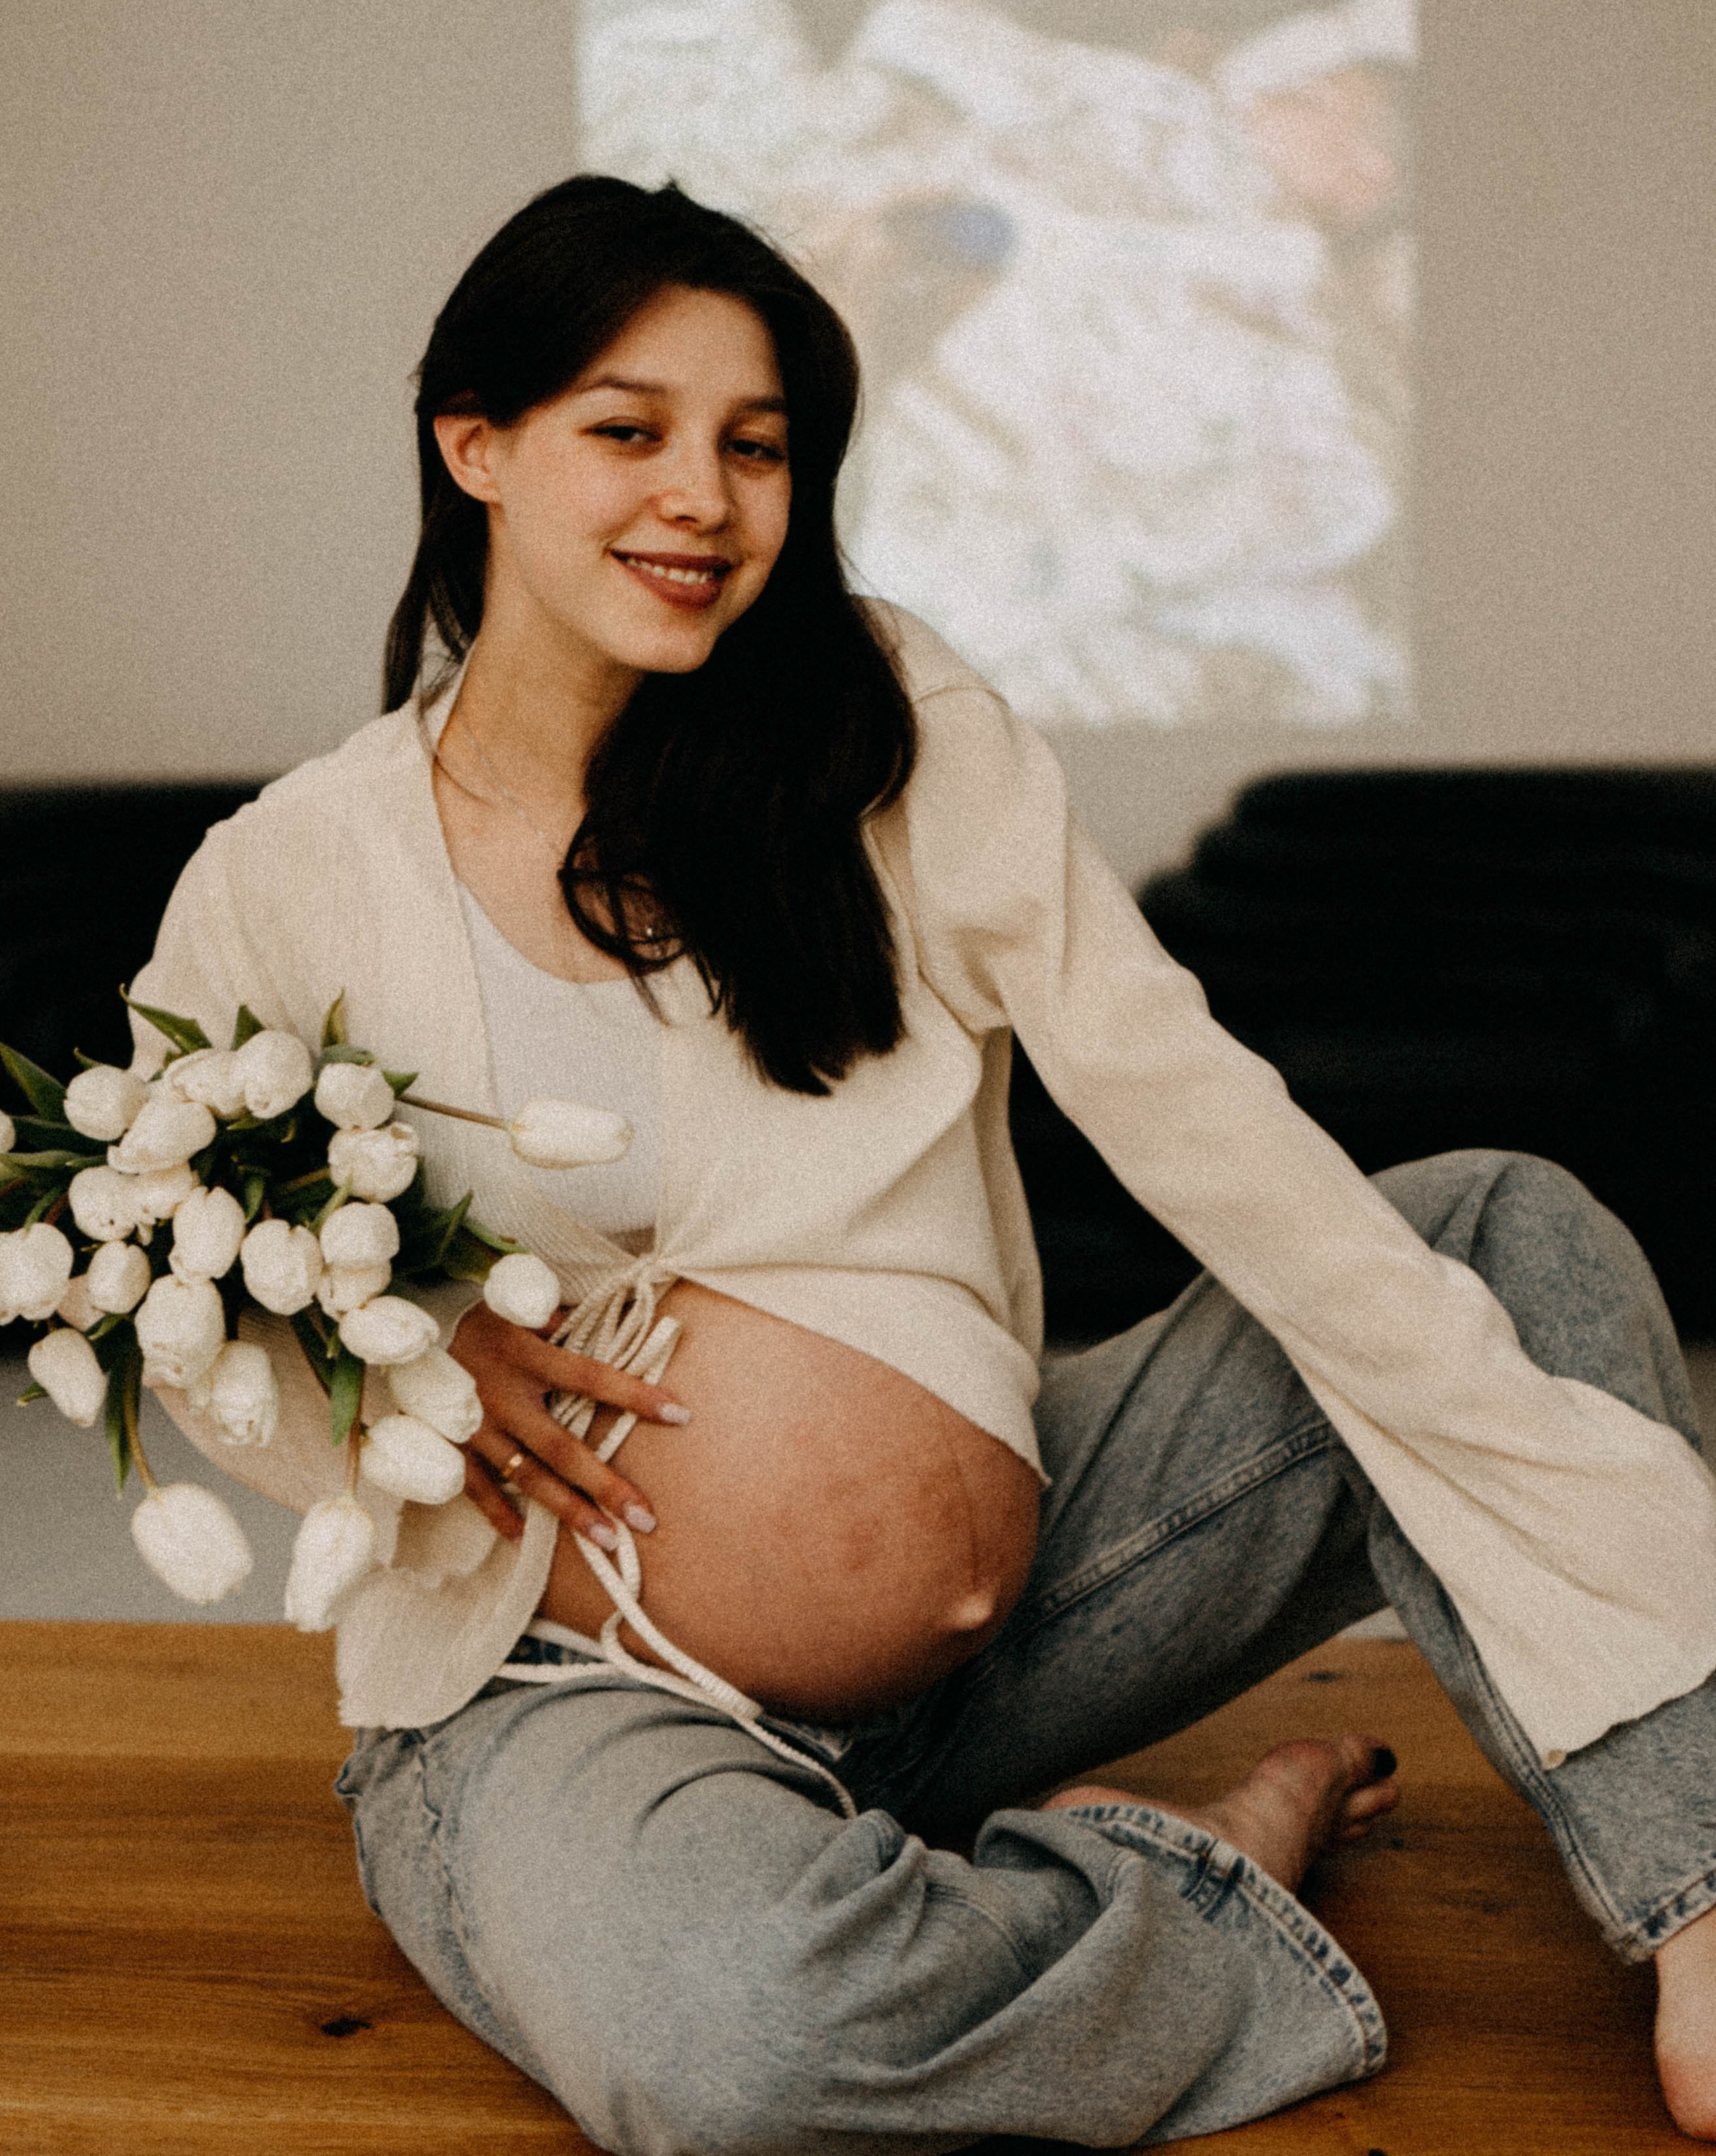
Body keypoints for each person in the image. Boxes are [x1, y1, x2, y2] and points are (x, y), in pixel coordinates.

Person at [135, 175, 1716, 2149]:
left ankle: (1709, 1895)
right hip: (564, 1695)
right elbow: (164, 1292)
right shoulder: (293, 871)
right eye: (629, 431)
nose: (701, 498)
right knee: (746, 2043)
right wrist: (396, 1377)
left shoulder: (884, 733)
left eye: (759, 446)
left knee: (1503, 1226)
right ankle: (1194, 1870)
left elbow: (1191, 1111)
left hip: (1031, 1615)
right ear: (478, 446)